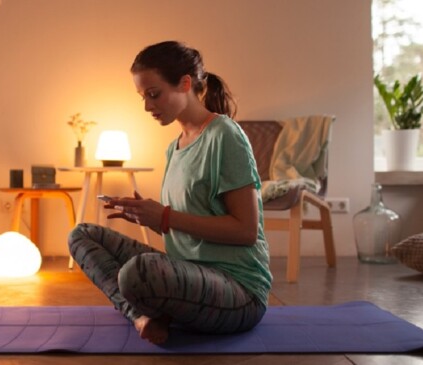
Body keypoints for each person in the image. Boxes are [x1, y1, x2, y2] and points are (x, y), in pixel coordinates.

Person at [68, 40, 272, 345]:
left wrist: (165, 216)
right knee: (81, 234)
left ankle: (152, 312)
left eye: (154, 94)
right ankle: (142, 317)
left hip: (239, 293)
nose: (148, 106)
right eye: (142, 97)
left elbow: (245, 231)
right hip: (187, 276)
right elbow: (187, 231)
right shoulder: (173, 149)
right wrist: (151, 218)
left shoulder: (225, 136)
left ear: (185, 83)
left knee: (137, 273)